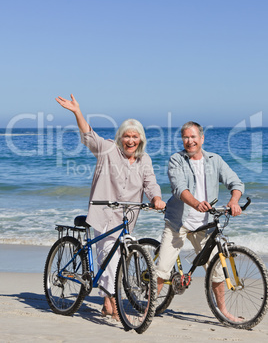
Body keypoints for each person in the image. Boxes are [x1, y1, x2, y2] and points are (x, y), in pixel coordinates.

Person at [56, 94, 165, 320]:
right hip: (103, 214)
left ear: (141, 140)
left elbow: (151, 183)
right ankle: (116, 305)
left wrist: (156, 198)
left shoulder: (145, 160)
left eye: (135, 136)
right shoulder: (107, 149)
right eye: (127, 136)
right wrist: (77, 111)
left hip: (126, 217)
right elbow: (89, 136)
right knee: (110, 258)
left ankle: (106, 303)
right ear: (120, 138)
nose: (131, 140)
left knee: (118, 259)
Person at [156, 121, 244, 321]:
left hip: (205, 224)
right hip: (179, 221)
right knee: (162, 269)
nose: (189, 141)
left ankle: (223, 312)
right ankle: (148, 309)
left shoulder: (215, 160)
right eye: (186, 137)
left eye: (193, 137)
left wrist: (234, 200)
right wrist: (196, 203)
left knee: (217, 273)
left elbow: (235, 182)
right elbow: (179, 188)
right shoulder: (176, 160)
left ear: (201, 139)